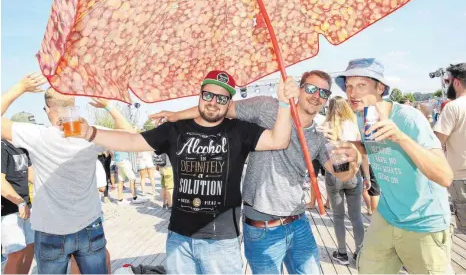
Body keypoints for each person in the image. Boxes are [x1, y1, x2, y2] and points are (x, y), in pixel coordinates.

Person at [71, 70, 299, 274]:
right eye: (208, 95)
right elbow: (132, 140)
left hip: (222, 242)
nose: (213, 102)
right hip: (179, 237)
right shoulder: (175, 130)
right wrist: (91, 132)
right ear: (199, 95)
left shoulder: (239, 131)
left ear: (228, 103)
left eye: (222, 98)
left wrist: (284, 103)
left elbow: (279, 140)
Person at [152, 70, 362, 274]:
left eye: (324, 93)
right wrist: (176, 116)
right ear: (298, 89)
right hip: (262, 228)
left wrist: (352, 160)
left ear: (327, 100)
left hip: (299, 223)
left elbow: (341, 173)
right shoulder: (267, 107)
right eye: (311, 88)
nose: (317, 96)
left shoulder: (317, 136)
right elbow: (220, 107)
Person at [1, 72, 134, 274]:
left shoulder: (37, 136)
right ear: (73, 107)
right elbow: (131, 136)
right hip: (89, 224)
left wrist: (20, 87)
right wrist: (109, 107)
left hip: (50, 229)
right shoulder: (91, 133)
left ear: (47, 110)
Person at [336, 58, 453, 274]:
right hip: (388, 214)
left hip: (423, 220)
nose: (352, 93)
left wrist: (400, 137)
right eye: (349, 86)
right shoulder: (363, 117)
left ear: (380, 88)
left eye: (361, 85)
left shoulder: (409, 118)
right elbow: (373, 147)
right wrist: (353, 147)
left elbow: (445, 176)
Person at [319, 96, 365, 264]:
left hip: (334, 174)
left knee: (338, 217)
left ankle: (342, 252)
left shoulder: (324, 127)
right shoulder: (353, 126)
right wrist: (365, 176)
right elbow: (361, 152)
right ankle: (360, 251)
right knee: (356, 216)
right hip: (353, 172)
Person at [434, 63, 466, 234]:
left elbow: (437, 142)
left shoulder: (453, 107)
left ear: (456, 82)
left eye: (447, 81)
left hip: (461, 175)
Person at [1, 138, 34, 274]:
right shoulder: (3, 148)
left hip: (26, 206)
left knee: (31, 247)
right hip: (8, 209)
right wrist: (20, 202)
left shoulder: (24, 148)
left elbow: (32, 176)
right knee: (16, 253)